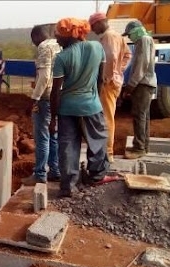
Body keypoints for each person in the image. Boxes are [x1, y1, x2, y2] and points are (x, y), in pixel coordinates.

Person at [49, 18, 114, 197]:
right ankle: (96, 176)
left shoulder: (62, 57)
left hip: (67, 109)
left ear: (70, 35)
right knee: (97, 140)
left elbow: (56, 91)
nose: (56, 39)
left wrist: (53, 118)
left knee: (68, 146)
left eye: (58, 35)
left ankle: (68, 186)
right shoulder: (97, 48)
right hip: (90, 105)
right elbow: (100, 79)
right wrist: (95, 99)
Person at [21, 24, 61, 186]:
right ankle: (55, 170)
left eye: (34, 41)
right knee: (53, 135)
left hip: (45, 98)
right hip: (57, 97)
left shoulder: (44, 47)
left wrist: (34, 99)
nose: (35, 45)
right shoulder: (58, 45)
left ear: (37, 37)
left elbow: (44, 77)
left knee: (42, 137)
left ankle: (39, 174)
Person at [89, 12, 132, 163]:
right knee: (108, 115)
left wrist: (107, 77)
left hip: (109, 83)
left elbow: (111, 57)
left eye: (94, 26)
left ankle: (108, 152)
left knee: (106, 118)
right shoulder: (117, 35)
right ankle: (107, 151)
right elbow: (127, 54)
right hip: (115, 81)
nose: (93, 30)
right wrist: (119, 71)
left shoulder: (108, 37)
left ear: (101, 22)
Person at [121, 20, 157, 159]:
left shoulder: (144, 40)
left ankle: (139, 147)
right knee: (143, 116)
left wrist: (131, 85)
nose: (129, 37)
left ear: (136, 30)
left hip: (143, 84)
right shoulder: (144, 40)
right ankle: (142, 145)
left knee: (139, 115)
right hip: (144, 83)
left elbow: (142, 65)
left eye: (129, 34)